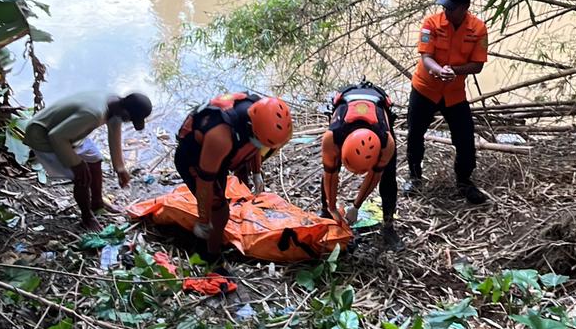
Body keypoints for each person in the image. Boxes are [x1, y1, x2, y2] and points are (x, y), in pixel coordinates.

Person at [174, 91, 293, 257]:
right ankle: (209, 254)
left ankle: (211, 240)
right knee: (220, 211)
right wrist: (203, 219)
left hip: (222, 151)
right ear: (252, 127)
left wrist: (256, 172)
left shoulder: (260, 112)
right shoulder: (220, 137)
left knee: (239, 182)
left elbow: (255, 146)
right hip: (194, 158)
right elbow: (204, 182)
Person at [405, 0, 488, 205]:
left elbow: (478, 65)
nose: (446, 10)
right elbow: (425, 56)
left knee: (464, 138)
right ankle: (414, 177)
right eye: (444, 5)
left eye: (451, 7)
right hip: (425, 88)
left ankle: (464, 181)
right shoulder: (430, 23)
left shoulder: (479, 29)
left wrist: (455, 71)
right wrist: (439, 71)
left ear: (465, 7)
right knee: (415, 133)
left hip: (454, 93)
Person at [24, 90, 152, 229]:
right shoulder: (94, 114)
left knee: (95, 159)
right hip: (43, 135)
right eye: (130, 119)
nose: (128, 122)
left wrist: (120, 168)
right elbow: (56, 137)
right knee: (82, 177)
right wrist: (76, 164)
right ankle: (87, 217)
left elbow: (114, 130)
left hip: (69, 133)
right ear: (125, 113)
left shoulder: (114, 103)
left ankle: (97, 203)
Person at [321, 81, 400, 249]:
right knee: (329, 169)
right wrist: (333, 207)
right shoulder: (332, 138)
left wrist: (356, 206)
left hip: (377, 111)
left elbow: (375, 176)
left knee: (389, 178)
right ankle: (325, 212)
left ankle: (388, 225)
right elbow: (330, 174)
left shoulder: (386, 143)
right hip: (347, 109)